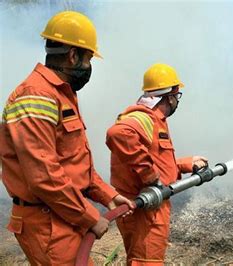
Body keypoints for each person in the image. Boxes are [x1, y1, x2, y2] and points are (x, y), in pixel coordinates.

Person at [0, 11, 134, 265]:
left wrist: (108, 195)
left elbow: (74, 161)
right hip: (46, 222)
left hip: (62, 213)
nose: (89, 66)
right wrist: (90, 217)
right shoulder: (35, 96)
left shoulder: (60, 94)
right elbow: (44, 176)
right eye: (88, 58)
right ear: (73, 55)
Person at [106, 63, 208, 265]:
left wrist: (186, 164)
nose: (177, 101)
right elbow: (117, 134)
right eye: (177, 96)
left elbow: (155, 159)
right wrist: (150, 178)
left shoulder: (155, 119)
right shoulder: (144, 117)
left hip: (146, 206)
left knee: (139, 259)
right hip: (146, 211)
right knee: (146, 262)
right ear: (170, 96)